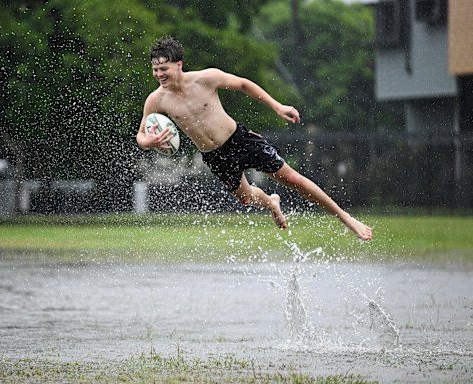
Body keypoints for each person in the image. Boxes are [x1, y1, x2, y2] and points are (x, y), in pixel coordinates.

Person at [136, 37, 372, 241]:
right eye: (155, 69)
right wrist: (149, 142)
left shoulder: (206, 78)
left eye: (164, 69)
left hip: (240, 140)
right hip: (215, 156)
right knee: (247, 199)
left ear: (179, 65)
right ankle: (272, 203)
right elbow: (141, 135)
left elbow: (243, 84)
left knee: (293, 179)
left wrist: (277, 106)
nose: (159, 74)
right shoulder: (156, 100)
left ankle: (347, 219)